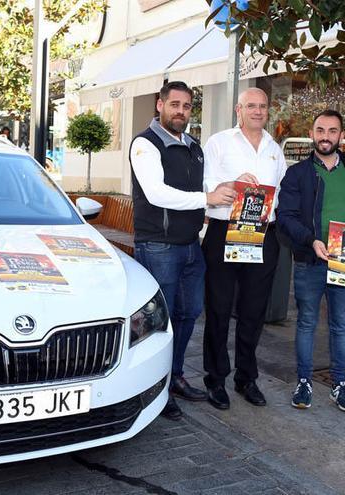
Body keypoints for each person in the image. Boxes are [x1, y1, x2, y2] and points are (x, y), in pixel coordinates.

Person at [129, 80, 236, 420]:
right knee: (160, 322)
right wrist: (208, 199)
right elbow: (157, 193)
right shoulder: (145, 145)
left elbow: (197, 187)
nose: (181, 111)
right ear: (159, 105)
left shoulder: (193, 145)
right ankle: (156, 387)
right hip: (159, 246)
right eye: (174, 104)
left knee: (188, 314)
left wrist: (218, 189)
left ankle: (174, 376)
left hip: (191, 245)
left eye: (187, 106)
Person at [276, 109, 345, 412]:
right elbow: (285, 217)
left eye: (332, 131)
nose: (325, 136)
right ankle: (304, 382)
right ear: (312, 134)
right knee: (306, 323)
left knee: (341, 325)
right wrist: (310, 240)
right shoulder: (297, 174)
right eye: (320, 130)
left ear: (341, 135)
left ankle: (340, 384)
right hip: (309, 260)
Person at [200, 88, 287, 410]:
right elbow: (204, 184)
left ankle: (246, 378)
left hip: (262, 234)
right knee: (219, 309)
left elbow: (279, 193)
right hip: (224, 230)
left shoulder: (274, 149)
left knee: (254, 311)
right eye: (251, 105)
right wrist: (234, 185)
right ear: (239, 109)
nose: (258, 111)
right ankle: (215, 379)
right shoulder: (219, 142)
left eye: (263, 106)